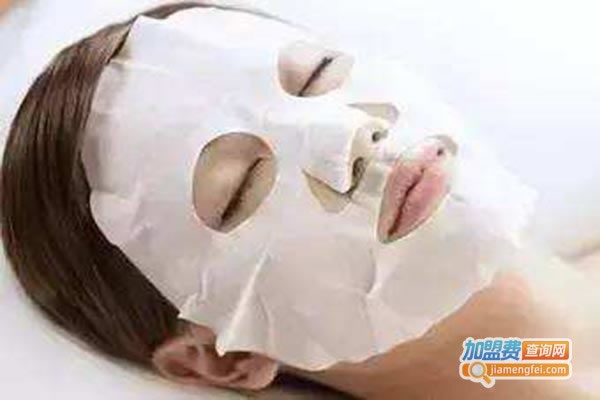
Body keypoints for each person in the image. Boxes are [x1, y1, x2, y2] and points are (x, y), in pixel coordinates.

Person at [1, 2, 597, 399]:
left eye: (316, 74)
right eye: (241, 191)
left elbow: (540, 358)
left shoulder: (537, 354)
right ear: (224, 359)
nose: (345, 137)